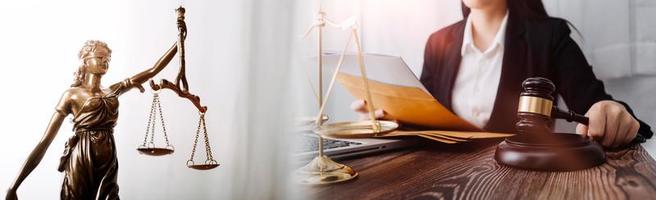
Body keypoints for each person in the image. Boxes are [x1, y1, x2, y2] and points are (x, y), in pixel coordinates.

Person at [353, 0, 653, 148]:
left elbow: (598, 106)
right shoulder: (437, 42)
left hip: (521, 181)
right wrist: (394, 114)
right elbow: (428, 116)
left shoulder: (548, 36)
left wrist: (613, 114)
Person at [6, 40, 179, 200]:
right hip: (82, 159)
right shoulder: (71, 95)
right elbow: (45, 142)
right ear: (85, 61)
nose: (106, 61)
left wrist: (179, 42)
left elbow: (153, 70)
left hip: (109, 158)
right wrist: (14, 187)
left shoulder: (112, 90)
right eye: (100, 57)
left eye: (108, 58)